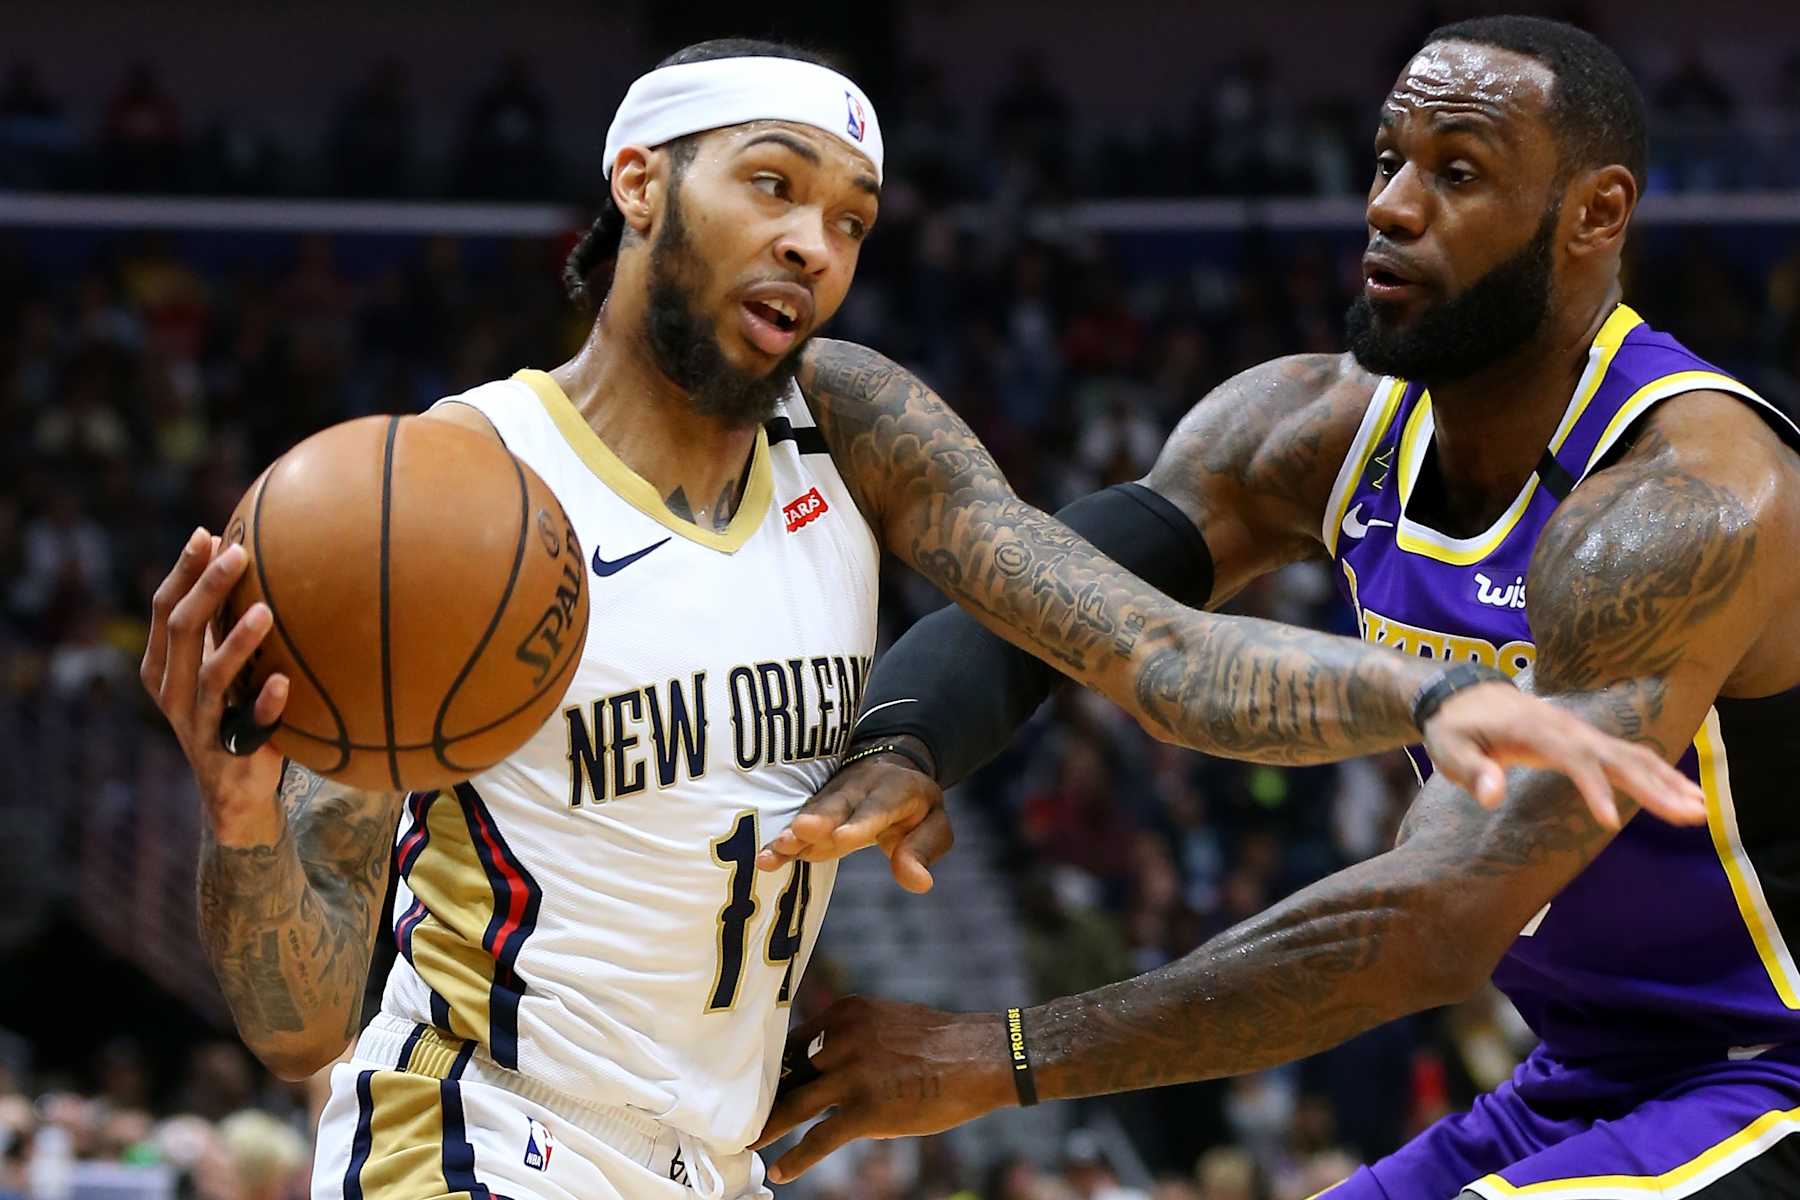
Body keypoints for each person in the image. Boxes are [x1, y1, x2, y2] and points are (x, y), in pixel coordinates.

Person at [140, 36, 1696, 1200]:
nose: (814, 244)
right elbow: (300, 1024)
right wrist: (243, 818)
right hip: (475, 1137)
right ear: (639, 182)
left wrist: (1421, 697)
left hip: (719, 1161)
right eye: (772, 186)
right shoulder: (450, 500)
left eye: (851, 217)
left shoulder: (850, 418)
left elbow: (1146, 644)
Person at [756, 16, 1800, 1198]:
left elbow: (1438, 919)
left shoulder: (1681, 506)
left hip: (1773, 1074)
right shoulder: (1316, 430)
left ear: (1595, 215)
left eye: (1457, 173)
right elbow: (1066, 590)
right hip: (1589, 1074)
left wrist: (998, 1055)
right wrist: (909, 741)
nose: (1391, 207)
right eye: (1388, 160)